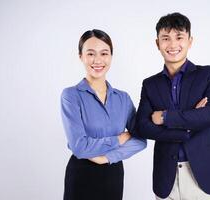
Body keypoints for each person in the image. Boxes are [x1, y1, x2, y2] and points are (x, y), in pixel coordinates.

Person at [134, 13, 210, 199]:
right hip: (166, 177)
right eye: (166, 38)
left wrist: (165, 117)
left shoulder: (208, 74)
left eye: (179, 37)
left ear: (190, 41)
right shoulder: (150, 84)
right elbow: (142, 127)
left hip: (203, 174)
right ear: (157, 43)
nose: (172, 45)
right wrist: (190, 124)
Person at [60, 29, 146, 200]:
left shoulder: (123, 98)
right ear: (81, 56)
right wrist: (119, 139)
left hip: (113, 174)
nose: (97, 60)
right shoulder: (71, 96)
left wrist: (107, 157)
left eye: (104, 53)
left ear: (111, 57)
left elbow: (140, 139)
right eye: (90, 54)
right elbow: (79, 146)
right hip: (81, 175)